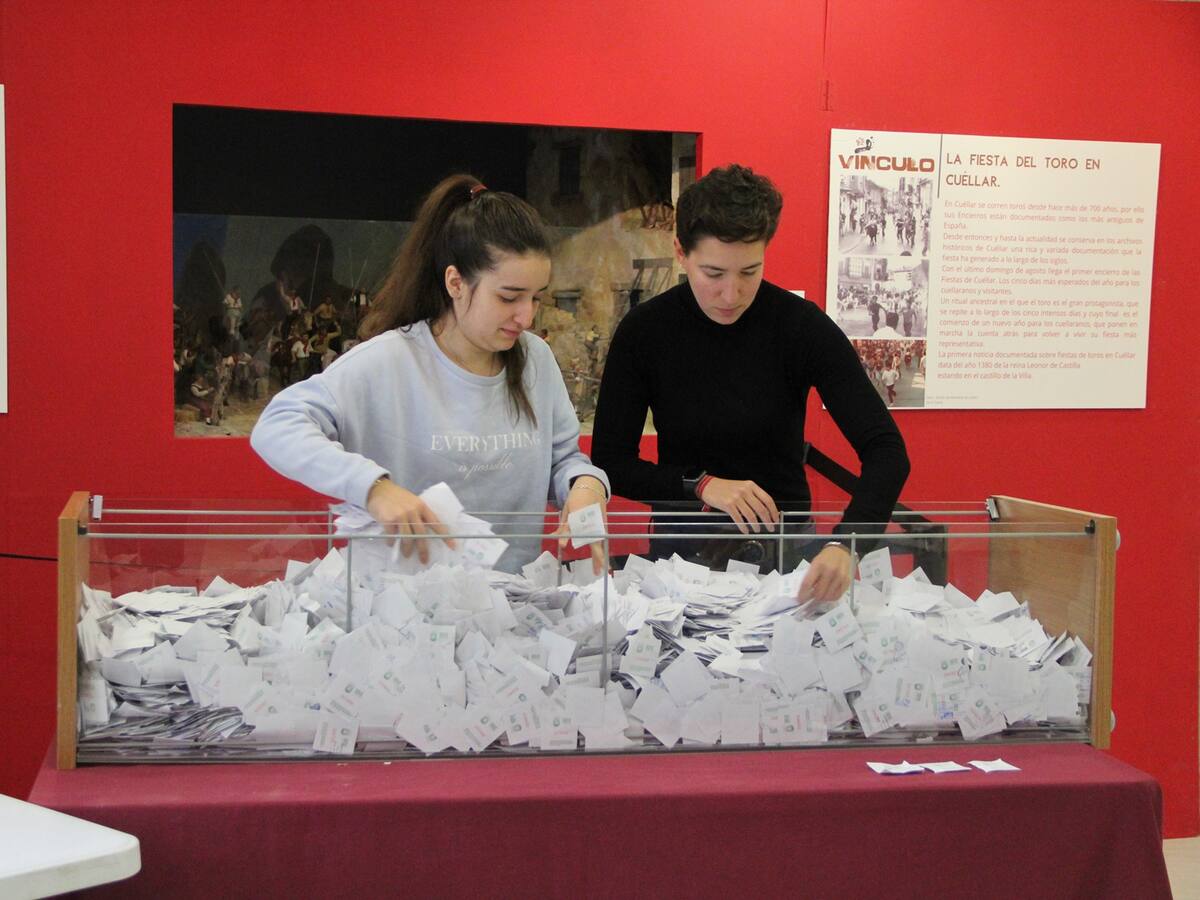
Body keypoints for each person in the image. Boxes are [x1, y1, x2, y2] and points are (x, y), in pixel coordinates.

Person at [251, 174, 610, 573]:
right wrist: (373, 488)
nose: (525, 317)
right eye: (508, 297)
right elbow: (277, 425)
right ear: (456, 282)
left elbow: (563, 459)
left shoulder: (535, 359)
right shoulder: (388, 361)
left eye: (536, 298)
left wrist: (586, 485)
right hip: (400, 601)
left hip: (510, 598)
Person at [591, 164, 909, 602]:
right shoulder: (645, 331)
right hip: (683, 557)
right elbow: (611, 462)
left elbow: (886, 451)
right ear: (680, 252)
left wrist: (846, 543)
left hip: (784, 553)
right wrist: (702, 484)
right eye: (713, 274)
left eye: (749, 272)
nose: (732, 294)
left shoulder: (800, 327)